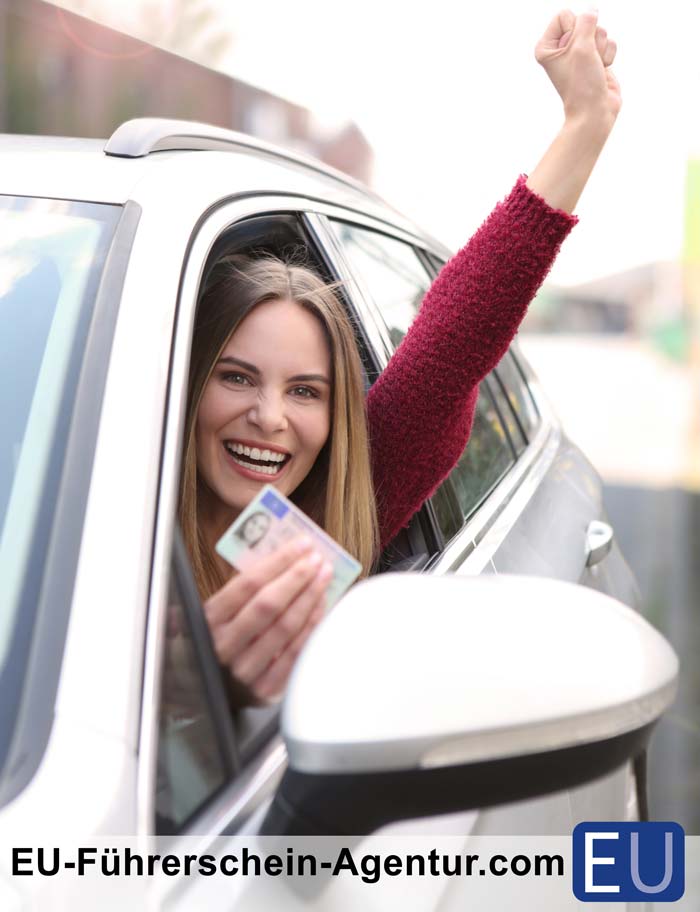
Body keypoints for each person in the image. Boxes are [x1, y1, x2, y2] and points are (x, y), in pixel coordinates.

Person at [179, 10, 621, 703]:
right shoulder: (95, 516)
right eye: (236, 377)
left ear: (340, 417)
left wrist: (584, 122)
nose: (269, 417)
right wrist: (190, 692)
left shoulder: (346, 504)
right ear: (186, 383)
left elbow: (457, 335)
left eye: (307, 391)